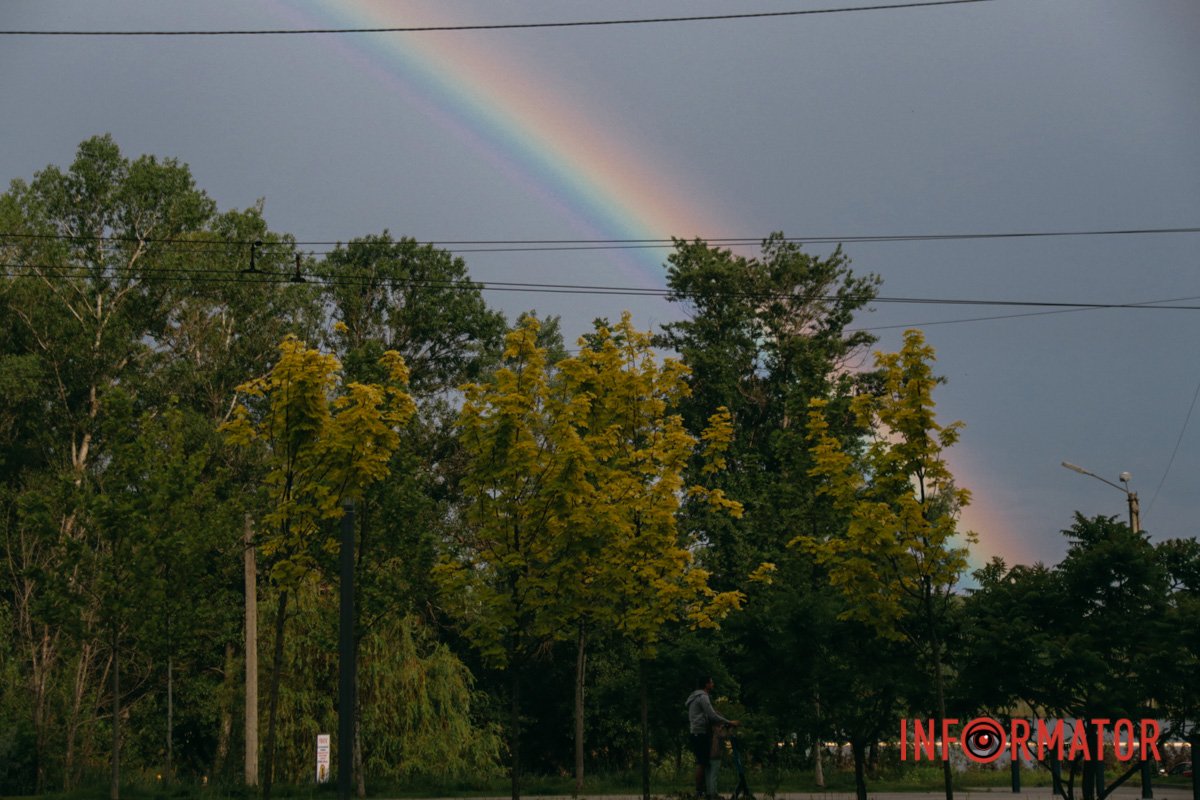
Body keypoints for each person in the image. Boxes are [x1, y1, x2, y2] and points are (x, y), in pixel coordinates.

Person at [686, 676, 739, 800]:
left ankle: (706, 792)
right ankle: (699, 792)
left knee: (703, 762)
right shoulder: (703, 696)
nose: (713, 684)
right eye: (711, 682)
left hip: (696, 732)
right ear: (706, 684)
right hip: (700, 733)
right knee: (701, 763)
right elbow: (712, 715)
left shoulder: (695, 696)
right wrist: (729, 722)